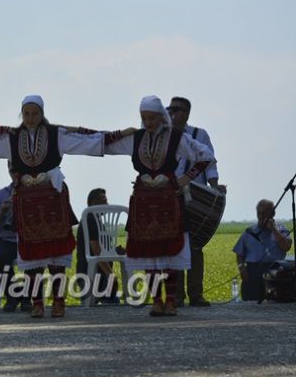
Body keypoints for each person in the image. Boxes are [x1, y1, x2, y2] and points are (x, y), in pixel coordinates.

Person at [0, 95, 135, 319]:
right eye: (26, 114)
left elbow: (87, 138)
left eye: (34, 113)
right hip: (27, 201)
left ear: (42, 113)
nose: (30, 118)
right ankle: (37, 303)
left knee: (56, 253)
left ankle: (58, 302)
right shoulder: (12, 138)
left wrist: (119, 134)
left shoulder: (57, 134)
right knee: (31, 255)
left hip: (52, 198)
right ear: (21, 114)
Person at [105, 95, 215, 317]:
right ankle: (157, 301)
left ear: (161, 117)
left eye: (152, 118)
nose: (148, 122)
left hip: (168, 199)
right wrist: (122, 133)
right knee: (150, 253)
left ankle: (172, 301)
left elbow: (206, 155)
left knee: (170, 252)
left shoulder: (176, 138)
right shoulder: (136, 138)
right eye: (144, 118)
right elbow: (103, 143)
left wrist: (187, 177)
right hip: (144, 201)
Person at [168, 96, 224, 307]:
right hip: (171, 196)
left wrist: (214, 186)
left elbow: (209, 162)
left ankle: (195, 293)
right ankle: (176, 295)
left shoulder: (199, 135)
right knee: (173, 245)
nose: (174, 112)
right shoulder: (164, 136)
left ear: (187, 113)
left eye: (178, 109)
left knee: (195, 244)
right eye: (171, 109)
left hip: (195, 196)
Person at [0, 166, 31, 312]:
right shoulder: (0, 195)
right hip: (8, 239)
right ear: (9, 171)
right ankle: (13, 296)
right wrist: (2, 212)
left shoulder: (34, 192)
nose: (16, 174)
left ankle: (28, 297)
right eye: (13, 170)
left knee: (36, 258)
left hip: (30, 238)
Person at [233, 199, 292, 301]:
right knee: (250, 304)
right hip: (253, 273)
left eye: (264, 213)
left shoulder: (281, 230)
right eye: (258, 213)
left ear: (272, 214)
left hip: (275, 272)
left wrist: (273, 229)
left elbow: (286, 247)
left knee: (275, 305)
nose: (261, 216)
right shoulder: (249, 232)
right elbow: (239, 254)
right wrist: (241, 267)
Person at [75, 188, 122, 304]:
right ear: (94, 203)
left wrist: (115, 250)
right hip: (93, 275)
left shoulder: (95, 220)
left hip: (98, 276)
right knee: (113, 303)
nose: (107, 204)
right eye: (104, 201)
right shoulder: (91, 220)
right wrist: (111, 276)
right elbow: (97, 252)